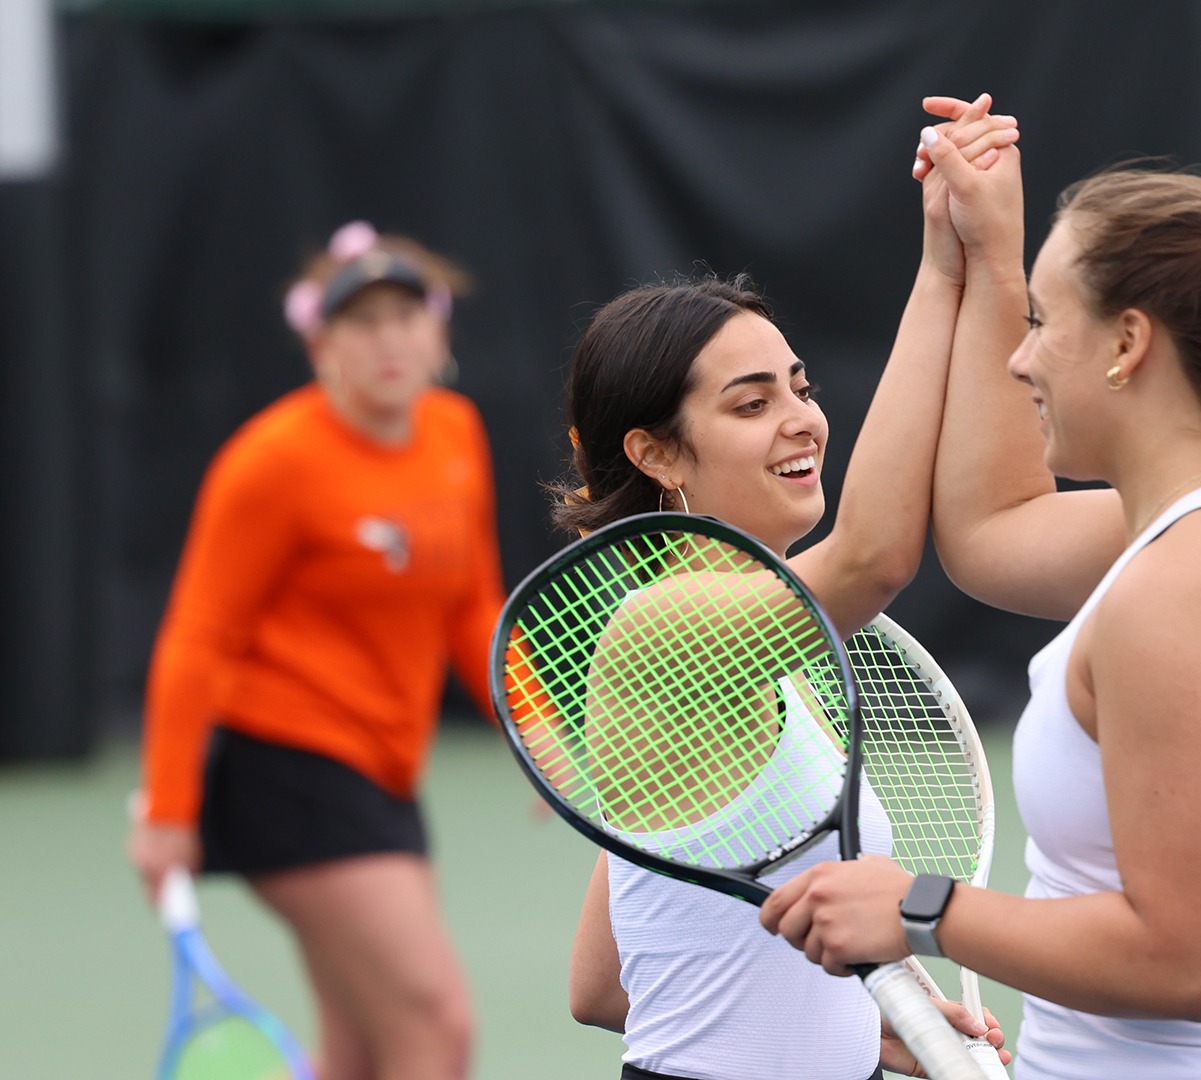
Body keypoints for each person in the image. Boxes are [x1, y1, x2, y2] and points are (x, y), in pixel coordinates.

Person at [760, 101, 1201, 1079]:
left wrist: (919, 908)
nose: (1018, 355)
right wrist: (989, 258)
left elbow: (1183, 962)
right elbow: (992, 529)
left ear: (1128, 343)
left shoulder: (1193, 587)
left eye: (1043, 324)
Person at [559, 95, 1018, 1080]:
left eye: (801, 387)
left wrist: (871, 1024)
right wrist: (951, 268)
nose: (803, 419)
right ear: (658, 453)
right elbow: (874, 558)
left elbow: (602, 984)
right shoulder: (663, 626)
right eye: (751, 402)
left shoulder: (768, 662)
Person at [127, 221, 502, 1080]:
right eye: (362, 323)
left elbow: (470, 604)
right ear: (319, 342)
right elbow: (198, 637)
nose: (388, 340)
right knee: (434, 1026)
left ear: (438, 329)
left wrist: (532, 721)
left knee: (363, 1048)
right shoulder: (270, 463)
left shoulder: (454, 434)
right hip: (287, 769)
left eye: (406, 316)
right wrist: (169, 812)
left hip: (384, 774)